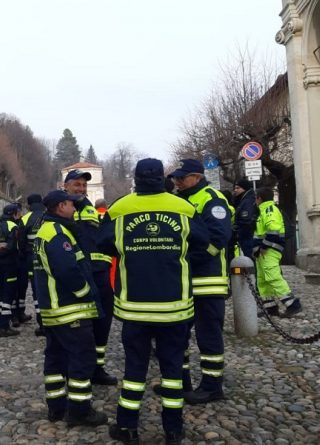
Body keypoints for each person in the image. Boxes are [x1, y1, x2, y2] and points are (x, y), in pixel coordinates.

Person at [101, 159, 210, 445]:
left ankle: (127, 427)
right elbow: (204, 241)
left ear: (135, 179)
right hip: (175, 307)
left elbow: (101, 244)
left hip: (134, 307)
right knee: (173, 371)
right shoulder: (184, 208)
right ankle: (173, 430)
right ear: (163, 178)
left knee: (134, 370)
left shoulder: (119, 208)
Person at [34, 190, 106, 427]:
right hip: (69, 308)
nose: (75, 209)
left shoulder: (48, 230)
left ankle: (56, 408)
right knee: (82, 359)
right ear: (61, 206)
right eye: (71, 205)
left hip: (54, 310)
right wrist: (85, 292)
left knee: (55, 359)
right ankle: (80, 411)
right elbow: (66, 270)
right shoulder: (57, 233)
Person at [169, 159, 233, 405]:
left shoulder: (212, 199)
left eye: (181, 178)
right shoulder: (180, 200)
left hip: (208, 281)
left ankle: (212, 386)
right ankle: (180, 382)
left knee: (208, 336)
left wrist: (184, 259)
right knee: (178, 335)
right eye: (176, 178)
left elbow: (218, 239)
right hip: (184, 281)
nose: (177, 182)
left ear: (196, 176)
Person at [63, 169, 117, 386]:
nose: (82, 189)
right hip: (78, 274)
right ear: (65, 185)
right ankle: (78, 369)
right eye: (77, 184)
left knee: (102, 322)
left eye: (84, 185)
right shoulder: (62, 208)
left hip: (99, 274)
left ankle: (97, 368)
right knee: (79, 326)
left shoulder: (88, 208)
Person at [254, 187, 302, 317]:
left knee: (273, 277)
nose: (255, 200)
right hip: (264, 251)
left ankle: (292, 305)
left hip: (268, 250)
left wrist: (264, 247)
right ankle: (270, 307)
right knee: (263, 280)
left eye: (256, 198)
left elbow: (273, 230)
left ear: (259, 198)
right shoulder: (265, 210)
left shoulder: (269, 210)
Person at [0, 203, 22, 337]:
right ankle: (4, 326)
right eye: (18, 213)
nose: (19, 215)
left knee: (3, 292)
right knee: (8, 294)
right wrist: (0, 250)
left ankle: (0, 316)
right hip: (10, 264)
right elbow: (12, 247)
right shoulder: (13, 227)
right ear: (13, 214)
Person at [20, 194, 46, 334]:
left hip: (32, 258)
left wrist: (24, 257)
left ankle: (42, 323)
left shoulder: (25, 219)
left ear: (29, 205)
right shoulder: (48, 215)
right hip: (49, 256)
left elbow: (21, 242)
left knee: (37, 290)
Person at [233, 178, 257, 259]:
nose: (235, 190)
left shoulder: (248, 201)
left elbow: (246, 220)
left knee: (251, 258)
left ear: (245, 188)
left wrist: (237, 231)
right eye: (235, 188)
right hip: (246, 237)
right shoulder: (243, 199)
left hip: (248, 237)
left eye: (238, 188)